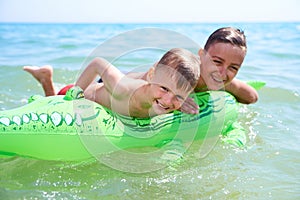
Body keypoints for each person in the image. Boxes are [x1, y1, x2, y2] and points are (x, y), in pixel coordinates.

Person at [24, 27, 258, 114]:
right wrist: (180, 99)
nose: (223, 71)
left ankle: (47, 79)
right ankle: (47, 82)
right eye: (217, 62)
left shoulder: (223, 79)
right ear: (201, 56)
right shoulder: (181, 73)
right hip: (115, 86)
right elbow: (149, 83)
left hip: (115, 85)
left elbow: (252, 96)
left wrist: (229, 90)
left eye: (233, 68)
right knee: (58, 99)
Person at [24, 48, 200, 118]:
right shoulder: (123, 89)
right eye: (164, 89)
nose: (169, 101)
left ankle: (45, 78)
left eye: (178, 96)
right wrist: (74, 97)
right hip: (78, 95)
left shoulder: (166, 102)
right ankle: (46, 79)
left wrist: (181, 102)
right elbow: (97, 63)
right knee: (54, 98)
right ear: (152, 76)